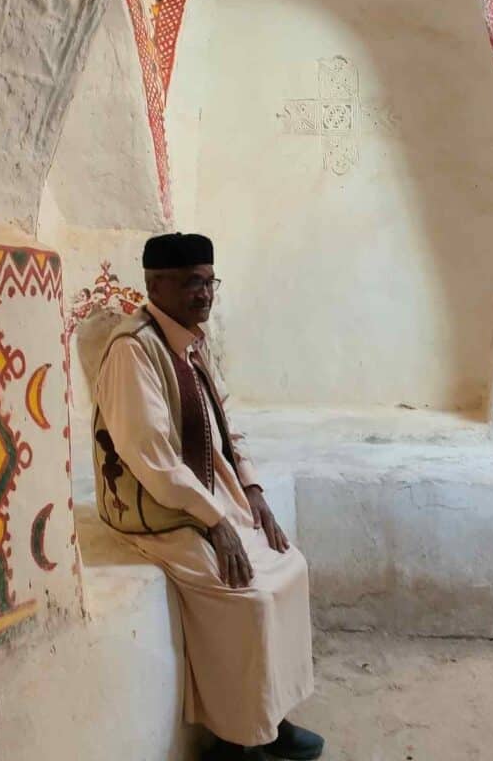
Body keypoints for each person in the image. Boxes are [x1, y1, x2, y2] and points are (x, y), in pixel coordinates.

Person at [92, 232, 323, 761]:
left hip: (202, 495)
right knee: (246, 597)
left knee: (291, 568)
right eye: (193, 282)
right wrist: (216, 521)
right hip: (156, 509)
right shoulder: (135, 350)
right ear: (156, 284)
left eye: (209, 280)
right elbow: (151, 457)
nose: (205, 294)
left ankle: (269, 718)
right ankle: (234, 740)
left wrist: (253, 490)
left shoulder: (190, 340)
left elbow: (225, 428)